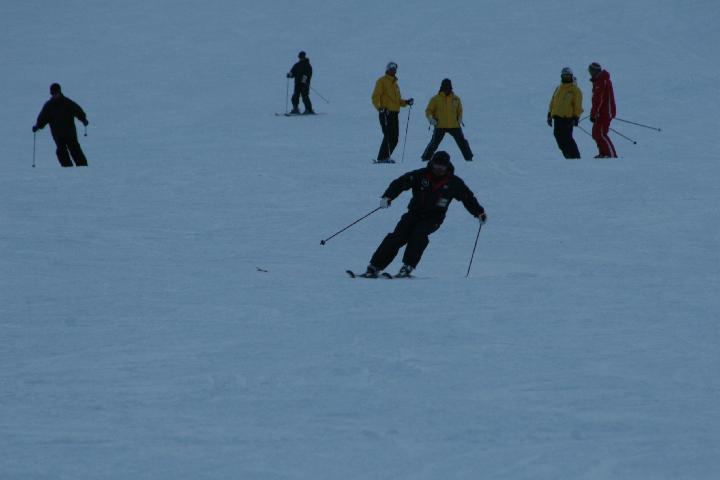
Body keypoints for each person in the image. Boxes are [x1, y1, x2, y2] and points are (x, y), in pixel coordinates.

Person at [361, 151, 486, 278]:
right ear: (431, 164)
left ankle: (407, 267)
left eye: (442, 166)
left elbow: (467, 198)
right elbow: (400, 183)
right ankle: (374, 267)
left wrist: (479, 212)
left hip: (433, 218)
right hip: (413, 213)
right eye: (436, 165)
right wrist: (388, 196)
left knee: (418, 234)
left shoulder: (454, 183)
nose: (439, 169)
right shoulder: (420, 175)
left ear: (447, 166)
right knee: (397, 236)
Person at [32, 83, 89, 167]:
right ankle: (67, 168)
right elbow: (43, 118)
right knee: (61, 151)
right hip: (57, 134)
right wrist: (37, 126)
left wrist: (83, 119)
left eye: (56, 93)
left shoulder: (67, 103)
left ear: (60, 92)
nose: (54, 95)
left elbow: (77, 110)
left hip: (70, 132)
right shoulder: (49, 106)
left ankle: (82, 166)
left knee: (74, 149)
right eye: (53, 93)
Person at [421, 78, 473, 161]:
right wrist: (430, 119)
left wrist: (460, 118)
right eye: (445, 88)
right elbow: (428, 110)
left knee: (462, 142)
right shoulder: (435, 99)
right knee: (434, 143)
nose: (447, 90)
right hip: (440, 125)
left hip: (454, 125)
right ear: (442, 88)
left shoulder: (456, 99)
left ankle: (469, 158)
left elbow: (460, 110)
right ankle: (426, 157)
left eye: (448, 88)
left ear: (451, 88)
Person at [371, 61, 414, 163]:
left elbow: (397, 101)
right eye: (391, 68)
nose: (393, 70)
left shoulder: (395, 85)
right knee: (388, 136)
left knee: (395, 138)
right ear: (387, 69)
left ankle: (385, 157)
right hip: (386, 113)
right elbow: (375, 97)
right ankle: (382, 158)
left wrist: (406, 102)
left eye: (395, 68)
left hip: (394, 114)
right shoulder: (381, 81)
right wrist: (380, 108)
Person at [547, 67, 583, 159]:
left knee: (567, 138)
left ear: (571, 76)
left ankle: (575, 157)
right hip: (557, 118)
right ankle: (568, 155)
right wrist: (549, 114)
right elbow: (553, 102)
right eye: (564, 76)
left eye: (568, 76)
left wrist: (576, 117)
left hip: (567, 118)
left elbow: (578, 105)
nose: (566, 78)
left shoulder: (575, 90)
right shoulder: (558, 88)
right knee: (558, 136)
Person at [588, 62, 617, 158]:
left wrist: (593, 113)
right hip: (600, 112)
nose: (590, 73)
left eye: (591, 71)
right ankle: (603, 153)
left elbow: (598, 99)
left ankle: (611, 155)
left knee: (601, 133)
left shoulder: (601, 81)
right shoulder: (598, 81)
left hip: (604, 112)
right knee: (596, 133)